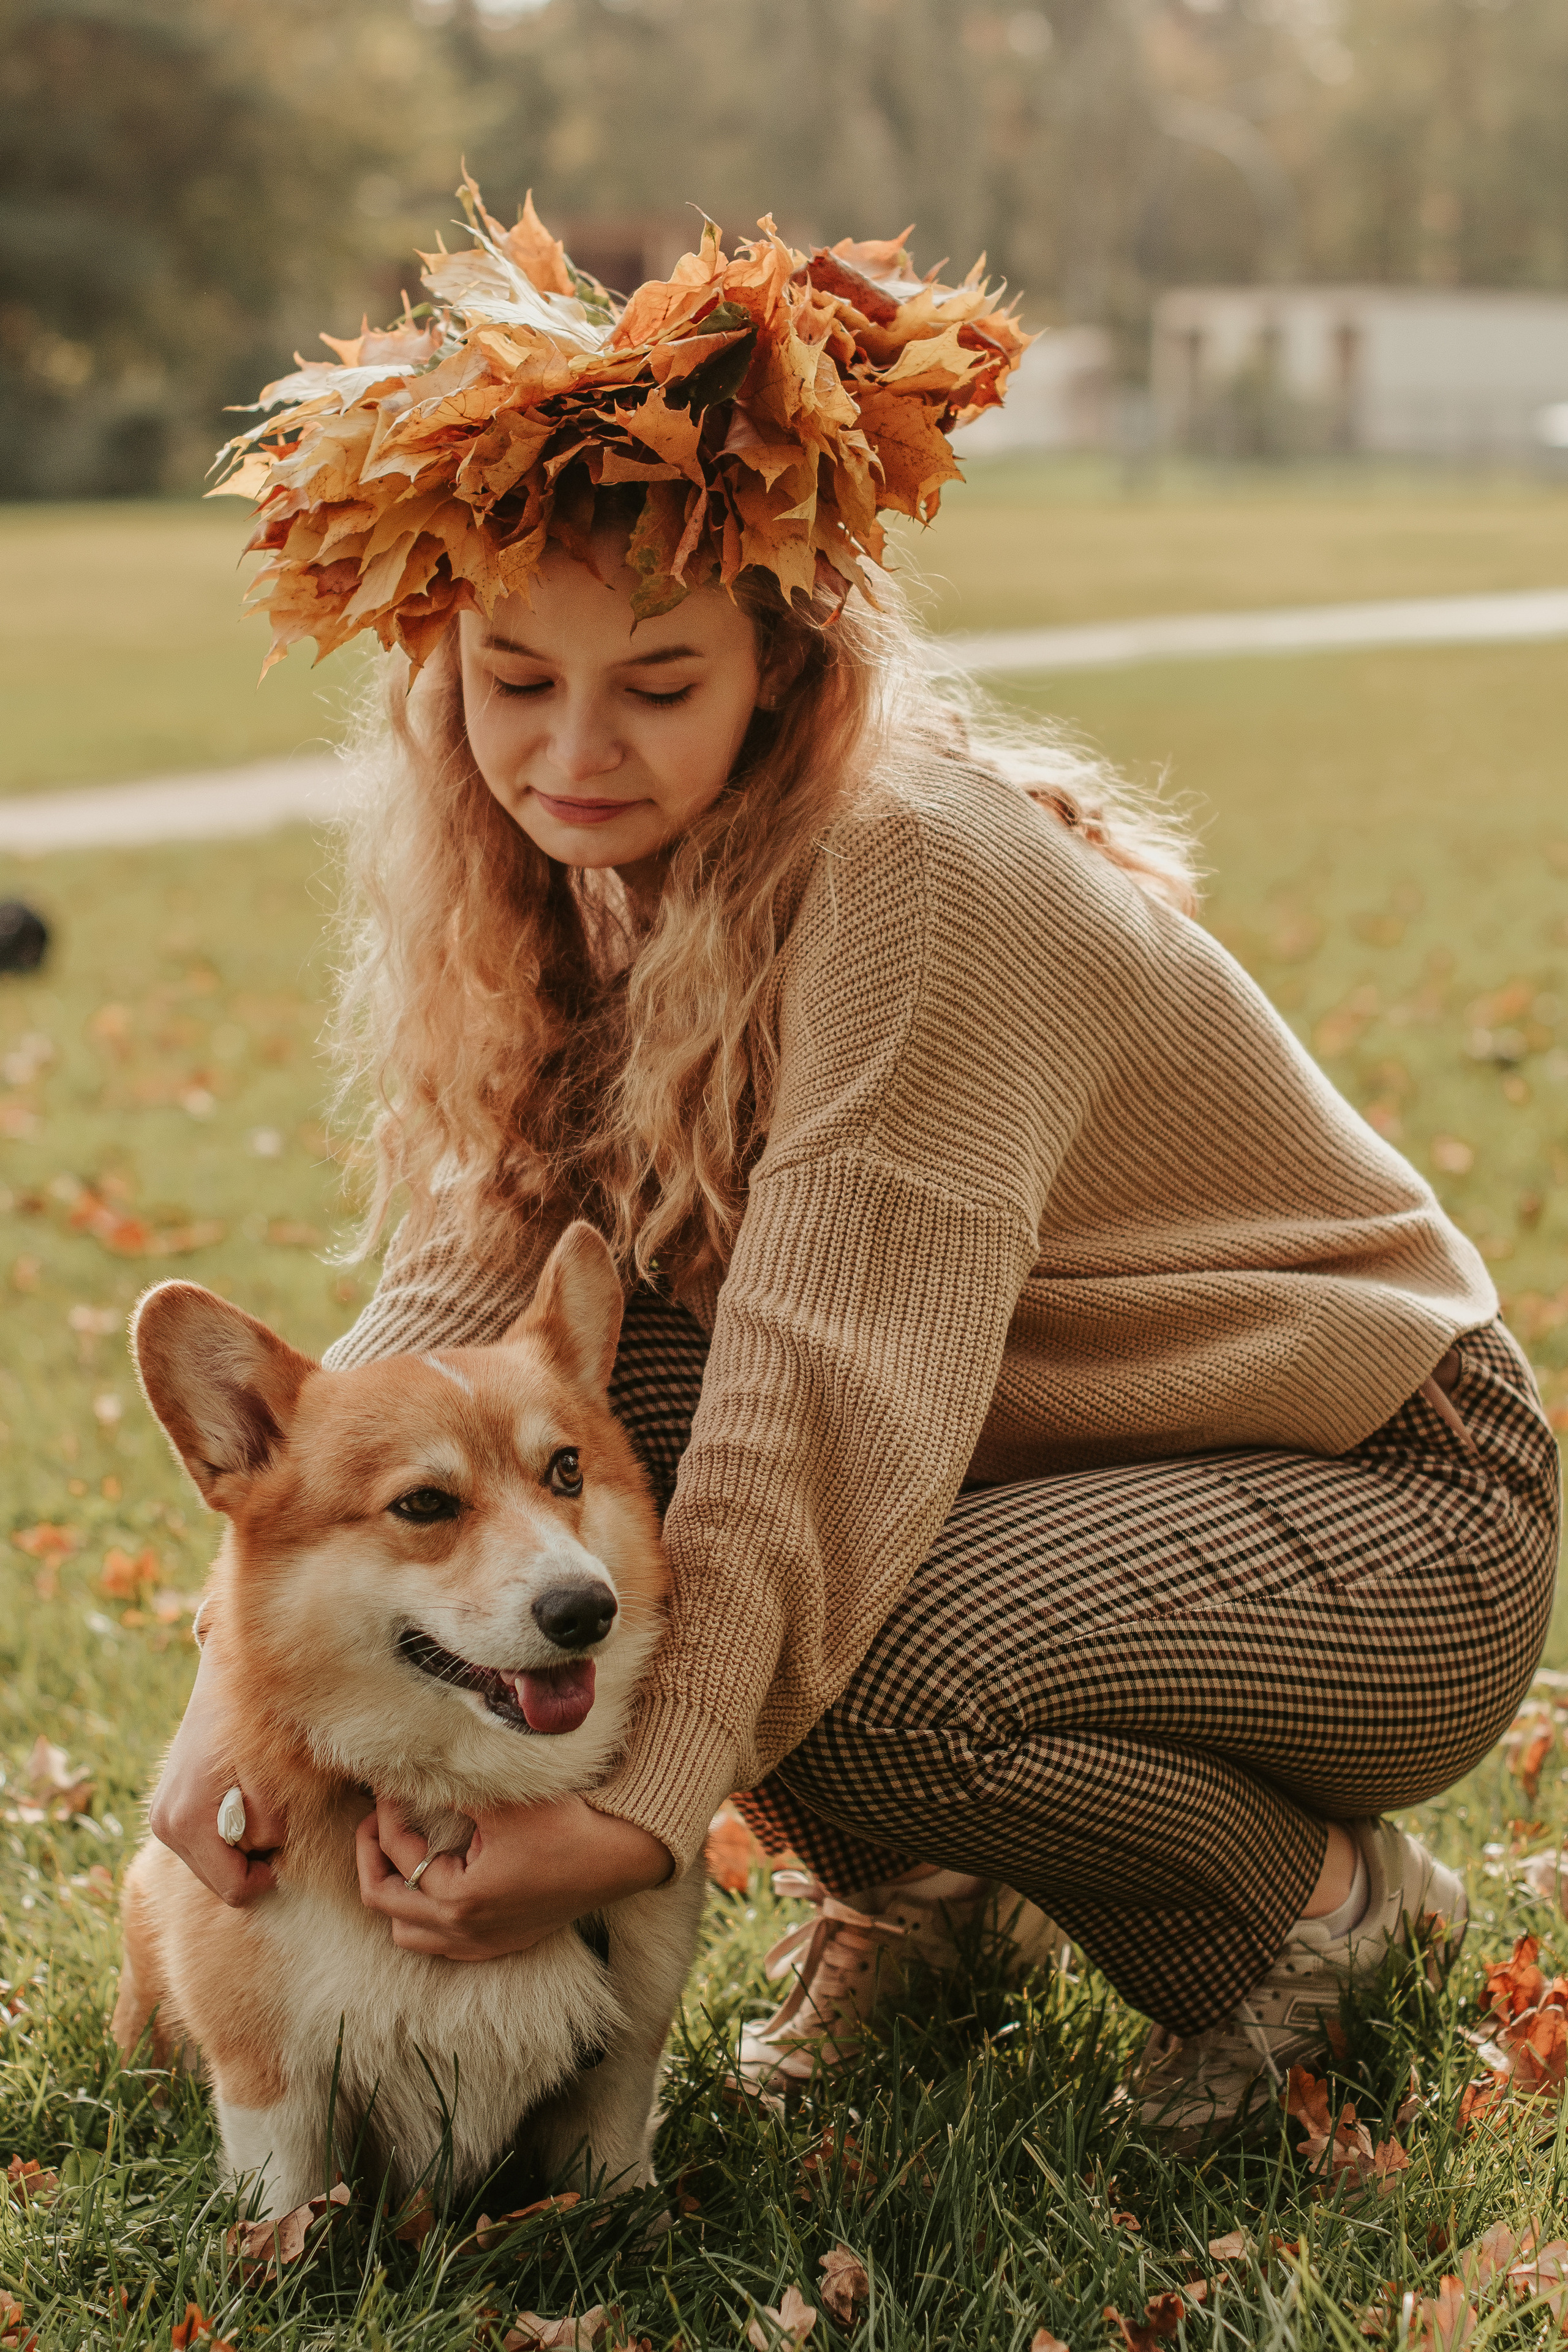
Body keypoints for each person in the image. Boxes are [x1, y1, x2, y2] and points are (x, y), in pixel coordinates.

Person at [149, 183, 1559, 2146]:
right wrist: (242, 1705)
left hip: (1395, 1508)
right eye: (510, 681)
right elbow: (476, 1309)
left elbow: (817, 1412)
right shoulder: (586, 886)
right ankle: (944, 1896)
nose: (569, 752)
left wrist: (630, 1825)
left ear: (783, 671)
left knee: (844, 1663)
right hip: (1080, 1468)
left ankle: (1312, 1919)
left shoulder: (916, 880)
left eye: (656, 685)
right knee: (597, 1418)